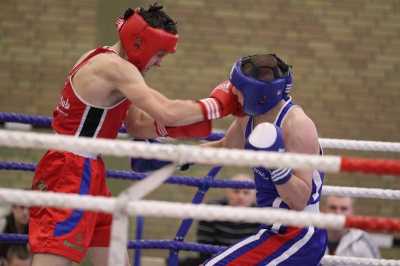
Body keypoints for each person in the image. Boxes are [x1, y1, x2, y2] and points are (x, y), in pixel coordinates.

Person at [29, 2, 243, 266]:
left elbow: (137, 125)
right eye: (160, 54)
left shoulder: (112, 63)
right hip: (69, 172)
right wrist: (219, 104)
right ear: (141, 43)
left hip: (90, 170)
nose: (160, 63)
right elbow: (166, 111)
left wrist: (171, 129)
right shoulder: (113, 67)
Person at [196, 54, 327, 265]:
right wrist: (175, 157)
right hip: (271, 228)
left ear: (259, 94)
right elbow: (223, 148)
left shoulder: (297, 125)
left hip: (298, 233)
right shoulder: (248, 117)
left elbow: (299, 200)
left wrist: (276, 165)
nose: (233, 92)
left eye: (239, 88)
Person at [177, 173, 261, 266]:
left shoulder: (261, 214)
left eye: (246, 193)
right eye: (236, 191)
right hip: (216, 260)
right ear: (228, 193)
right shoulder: (212, 209)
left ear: (254, 197)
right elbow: (204, 250)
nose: (241, 197)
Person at [322, 195, 381, 263]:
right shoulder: (311, 236)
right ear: (324, 210)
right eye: (333, 208)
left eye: (344, 209)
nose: (338, 213)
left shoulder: (363, 241)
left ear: (352, 212)